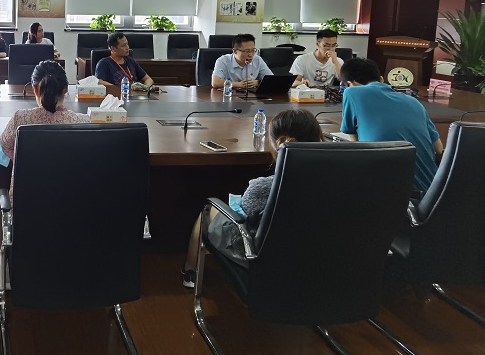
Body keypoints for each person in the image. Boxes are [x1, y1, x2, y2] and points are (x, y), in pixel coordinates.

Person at [181, 109, 324, 287]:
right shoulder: (334, 182)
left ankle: (190, 273)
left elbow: (245, 215)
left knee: (208, 211)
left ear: (276, 143)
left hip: (263, 255)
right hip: (318, 256)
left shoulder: (262, 187)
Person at [340, 58, 443, 195]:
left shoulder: (352, 92)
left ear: (349, 84)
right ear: (381, 79)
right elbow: (439, 148)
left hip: (395, 198)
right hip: (434, 195)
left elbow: (356, 147)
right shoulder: (414, 102)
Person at [0, 60, 89, 200]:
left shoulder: (20, 119)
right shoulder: (83, 122)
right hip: (71, 205)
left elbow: (2, 152)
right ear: (65, 89)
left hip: (26, 206)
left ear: (35, 89)